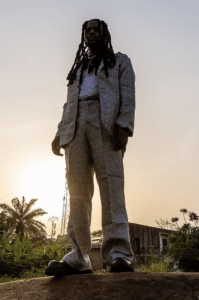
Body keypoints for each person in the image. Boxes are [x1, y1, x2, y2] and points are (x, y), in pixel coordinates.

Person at [45, 18, 136, 276]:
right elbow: (68, 103)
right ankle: (79, 255)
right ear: (84, 36)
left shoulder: (119, 61)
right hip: (75, 125)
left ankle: (118, 254)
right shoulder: (78, 69)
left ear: (105, 34)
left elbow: (128, 94)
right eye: (88, 30)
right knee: (77, 189)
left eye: (97, 29)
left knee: (111, 186)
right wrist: (60, 131)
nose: (92, 33)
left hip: (105, 124)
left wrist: (124, 125)